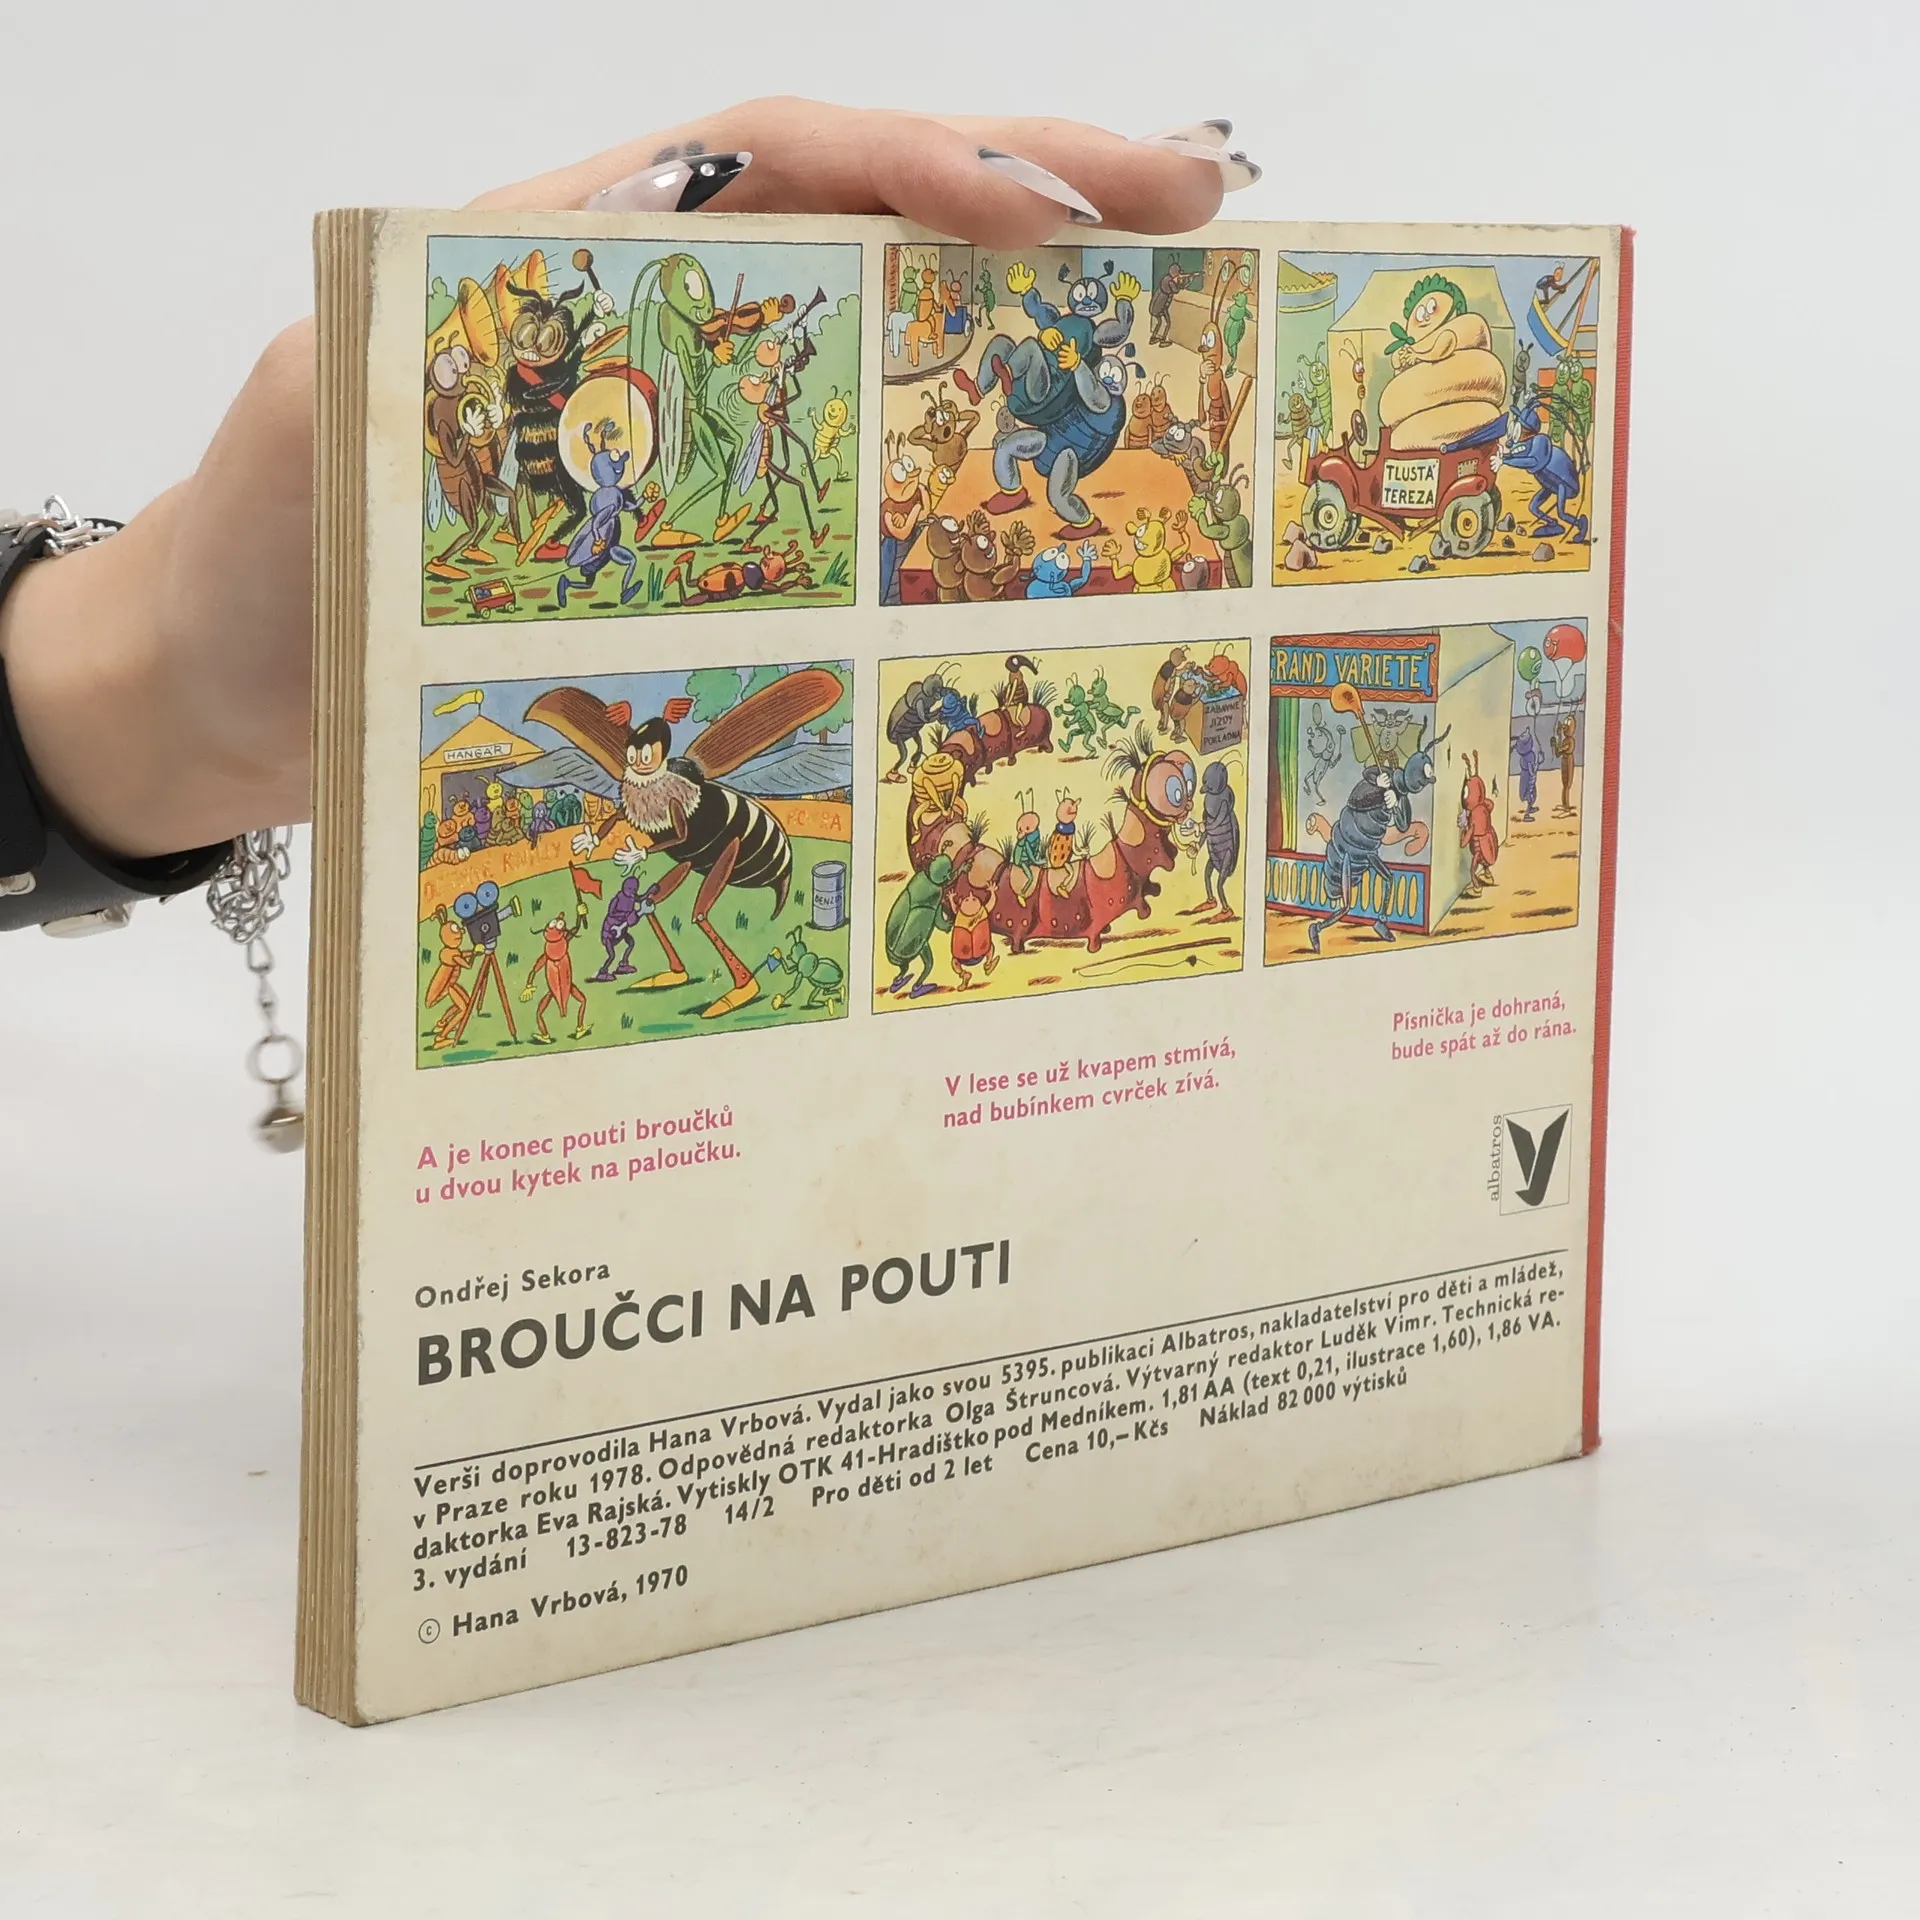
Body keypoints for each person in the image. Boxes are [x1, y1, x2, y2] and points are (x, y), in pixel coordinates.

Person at [0, 104, 1248, 937]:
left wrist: (164, 715)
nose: (639, 761)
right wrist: (157, 692)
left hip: (730, 807)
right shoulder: (600, 444)